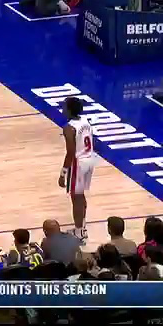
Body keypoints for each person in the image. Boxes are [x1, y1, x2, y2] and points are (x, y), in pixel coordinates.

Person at [60, 96, 98, 244]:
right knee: (80, 196)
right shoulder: (86, 121)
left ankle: (79, 233)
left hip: (78, 163)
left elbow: (70, 152)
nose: (62, 109)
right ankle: (81, 228)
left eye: (64, 107)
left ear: (69, 110)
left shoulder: (69, 128)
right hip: (90, 159)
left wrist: (63, 173)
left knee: (76, 198)